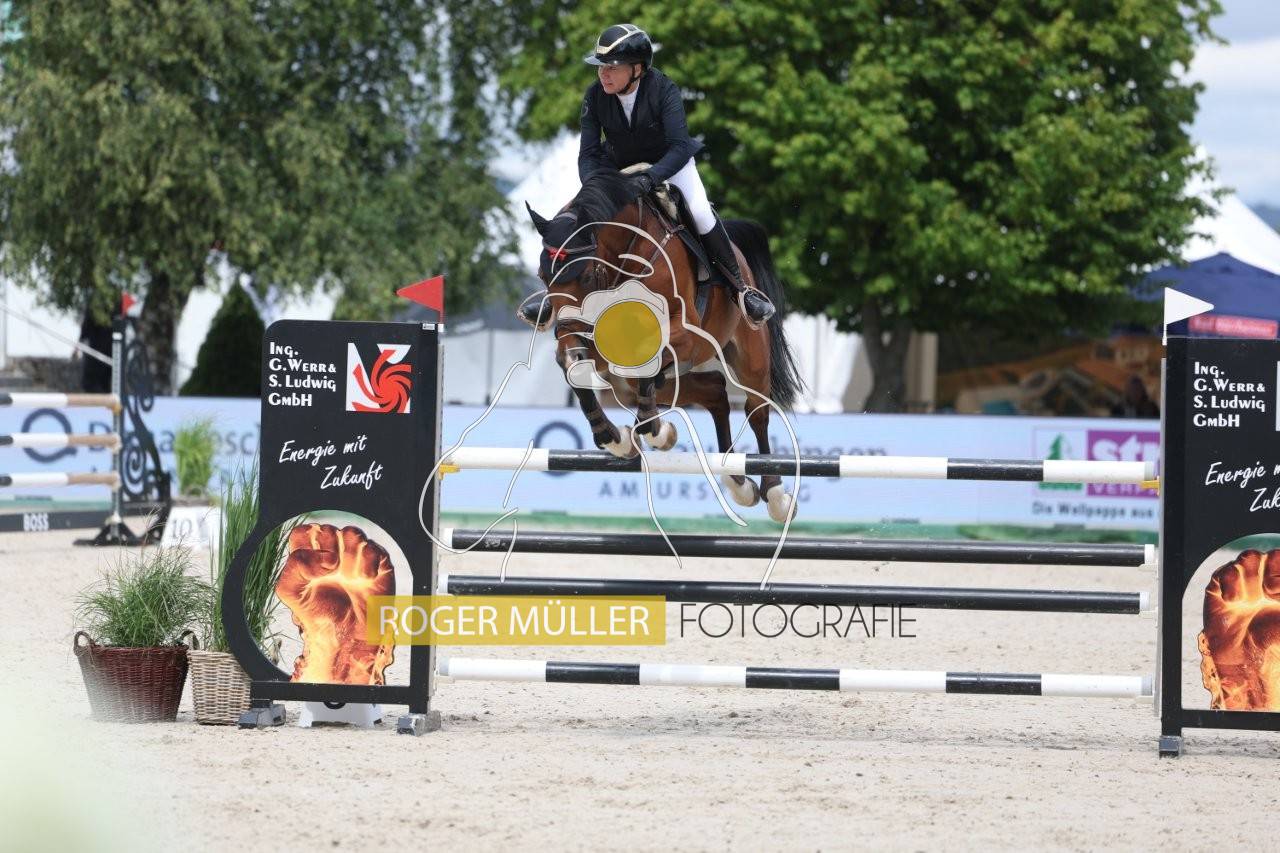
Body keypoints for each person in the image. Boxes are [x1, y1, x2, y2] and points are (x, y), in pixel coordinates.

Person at [578, 23, 775, 326]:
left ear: (637, 68)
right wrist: (594, 187)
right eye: (601, 66)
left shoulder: (663, 89)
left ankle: (741, 290)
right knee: (581, 213)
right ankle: (563, 294)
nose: (603, 74)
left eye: (612, 67)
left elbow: (680, 146)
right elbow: (589, 154)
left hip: (670, 164)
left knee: (700, 212)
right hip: (619, 169)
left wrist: (650, 178)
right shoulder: (594, 96)